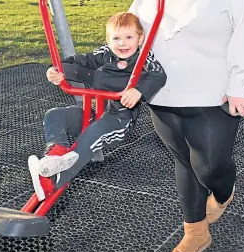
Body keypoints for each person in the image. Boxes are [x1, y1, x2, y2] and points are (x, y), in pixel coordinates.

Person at [128, 0, 244, 252]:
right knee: (185, 162)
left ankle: (223, 192)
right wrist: (115, 64)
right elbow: (135, 27)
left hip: (212, 92)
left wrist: (238, 82)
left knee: (211, 166)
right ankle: (196, 232)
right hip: (163, 91)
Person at [28, 12, 167, 202]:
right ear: (108, 40)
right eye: (116, 38)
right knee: (54, 115)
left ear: (140, 39)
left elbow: (159, 75)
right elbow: (81, 61)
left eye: (129, 37)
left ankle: (57, 178)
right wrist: (56, 70)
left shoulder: (144, 58)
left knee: (94, 132)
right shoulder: (104, 53)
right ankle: (56, 152)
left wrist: (138, 91)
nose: (122, 43)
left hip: (118, 118)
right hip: (94, 111)